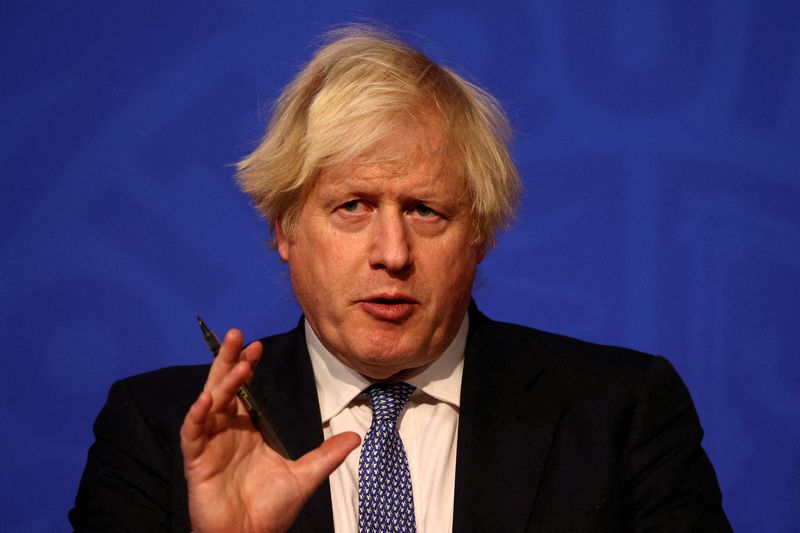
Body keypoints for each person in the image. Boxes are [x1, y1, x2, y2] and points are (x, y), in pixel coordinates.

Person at [70, 25, 731, 532]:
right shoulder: (158, 432)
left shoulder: (622, 413)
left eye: (425, 209)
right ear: (285, 228)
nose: (393, 252)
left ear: (478, 235)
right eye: (352, 205)